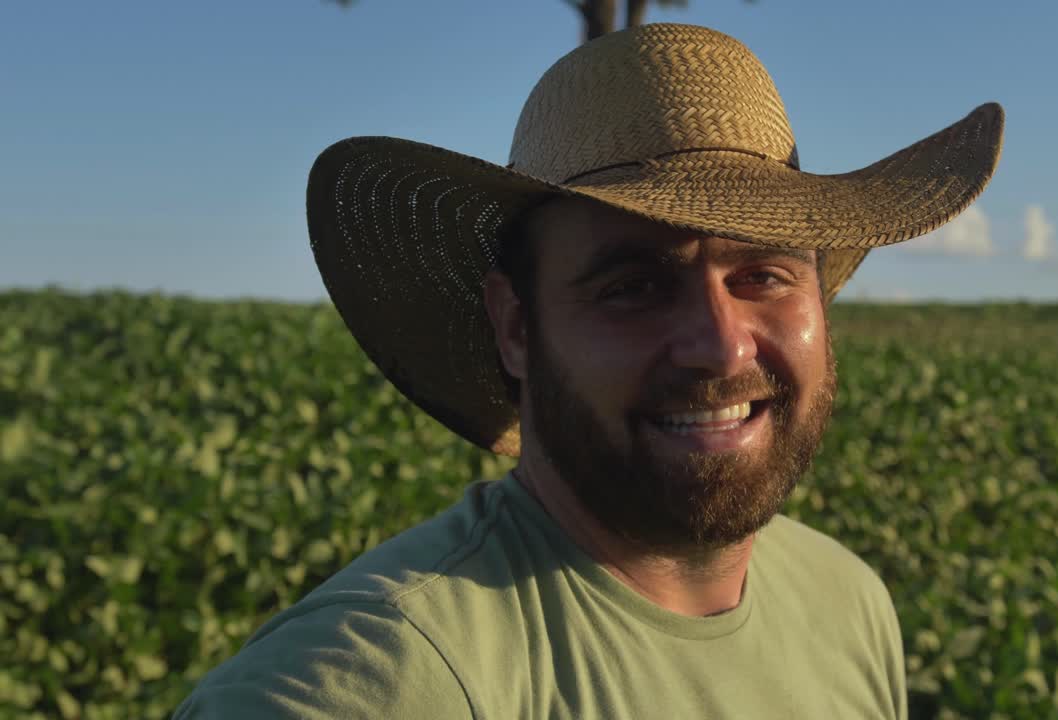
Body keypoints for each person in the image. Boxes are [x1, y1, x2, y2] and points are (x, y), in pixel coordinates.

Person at [176, 23, 1002, 719]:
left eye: (764, 275)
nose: (720, 346)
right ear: (515, 328)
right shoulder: (377, 679)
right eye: (634, 287)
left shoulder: (846, 602)